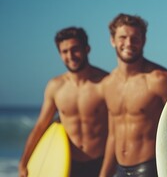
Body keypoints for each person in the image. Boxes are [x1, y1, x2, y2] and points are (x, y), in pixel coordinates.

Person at [18, 27, 109, 177]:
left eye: (75, 49)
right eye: (64, 52)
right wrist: (24, 162)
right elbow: (41, 125)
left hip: (100, 162)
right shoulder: (55, 86)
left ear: (87, 49)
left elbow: (119, 126)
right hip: (67, 163)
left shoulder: (105, 83)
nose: (70, 56)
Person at [99, 13, 167, 177]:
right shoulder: (107, 84)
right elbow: (113, 136)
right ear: (112, 40)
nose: (129, 43)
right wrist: (104, 174)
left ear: (143, 41)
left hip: (151, 169)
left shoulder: (160, 80)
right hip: (119, 170)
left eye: (135, 38)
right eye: (123, 37)